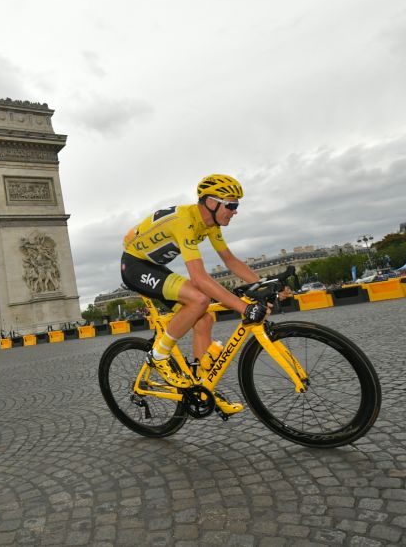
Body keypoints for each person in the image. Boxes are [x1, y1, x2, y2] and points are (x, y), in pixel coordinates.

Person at [121, 174, 289, 415]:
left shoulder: (211, 225)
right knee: (199, 299)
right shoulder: (185, 221)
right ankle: (158, 355)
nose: (235, 211)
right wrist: (243, 308)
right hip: (135, 266)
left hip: (154, 267)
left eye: (237, 205)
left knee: (205, 317)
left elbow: (230, 261)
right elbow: (200, 278)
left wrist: (265, 285)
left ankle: (202, 386)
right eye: (231, 205)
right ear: (211, 202)